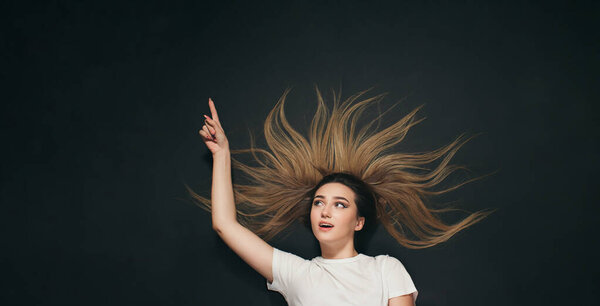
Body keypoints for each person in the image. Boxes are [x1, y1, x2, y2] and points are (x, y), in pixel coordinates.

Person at [191, 88, 492, 306]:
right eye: (319, 202)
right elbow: (225, 225)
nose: (324, 212)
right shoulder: (296, 273)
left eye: (340, 205)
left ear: (359, 222)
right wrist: (222, 153)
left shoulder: (386, 268)